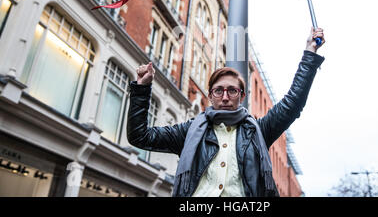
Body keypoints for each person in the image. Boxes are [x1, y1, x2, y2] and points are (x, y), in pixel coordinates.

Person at [127, 27, 325, 197]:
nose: (224, 96)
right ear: (210, 95)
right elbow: (140, 136)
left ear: (242, 96)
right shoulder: (190, 132)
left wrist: (310, 54)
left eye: (232, 90)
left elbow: (292, 104)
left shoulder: (258, 131)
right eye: (218, 90)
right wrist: (141, 89)